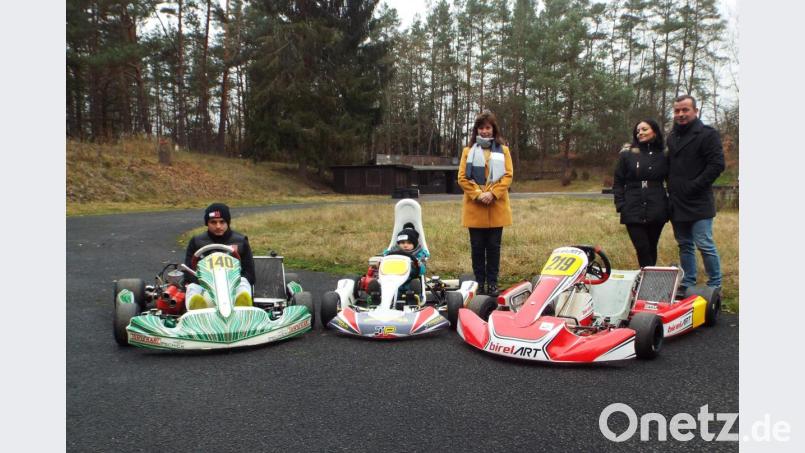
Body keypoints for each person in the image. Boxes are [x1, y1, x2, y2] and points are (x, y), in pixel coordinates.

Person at [666, 95, 725, 291]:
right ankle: (688, 281)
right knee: (684, 244)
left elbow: (717, 165)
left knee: (704, 243)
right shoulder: (672, 136)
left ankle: (715, 284)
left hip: (699, 200)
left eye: (685, 110)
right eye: (677, 111)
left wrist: (694, 186)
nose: (681, 114)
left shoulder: (708, 134)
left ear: (695, 111)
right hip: (677, 202)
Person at [457, 110, 513, 296]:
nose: (485, 131)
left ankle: (493, 284)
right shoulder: (468, 151)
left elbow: (508, 176)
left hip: (497, 208)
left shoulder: (503, 150)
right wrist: (479, 194)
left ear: (493, 129)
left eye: (488, 127)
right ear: (476, 130)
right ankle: (479, 284)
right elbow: (462, 178)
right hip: (475, 208)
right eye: (481, 128)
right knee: (477, 248)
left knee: (494, 249)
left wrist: (493, 194)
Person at [613, 119, 670, 268]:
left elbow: (672, 180)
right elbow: (618, 181)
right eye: (638, 131)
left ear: (655, 131)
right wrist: (620, 204)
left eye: (644, 129)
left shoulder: (664, 154)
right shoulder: (627, 154)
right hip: (632, 206)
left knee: (652, 246)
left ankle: (649, 282)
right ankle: (649, 282)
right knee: (642, 247)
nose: (640, 133)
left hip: (657, 206)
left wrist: (669, 204)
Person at [183, 203, 256, 309]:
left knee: (244, 282)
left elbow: (250, 274)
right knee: (192, 287)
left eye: (222, 222)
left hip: (233, 286)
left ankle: (242, 308)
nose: (218, 226)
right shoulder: (197, 242)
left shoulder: (240, 242)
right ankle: (196, 311)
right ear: (207, 223)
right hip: (205, 286)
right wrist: (203, 283)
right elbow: (189, 272)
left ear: (228, 222)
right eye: (213, 222)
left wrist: (234, 282)